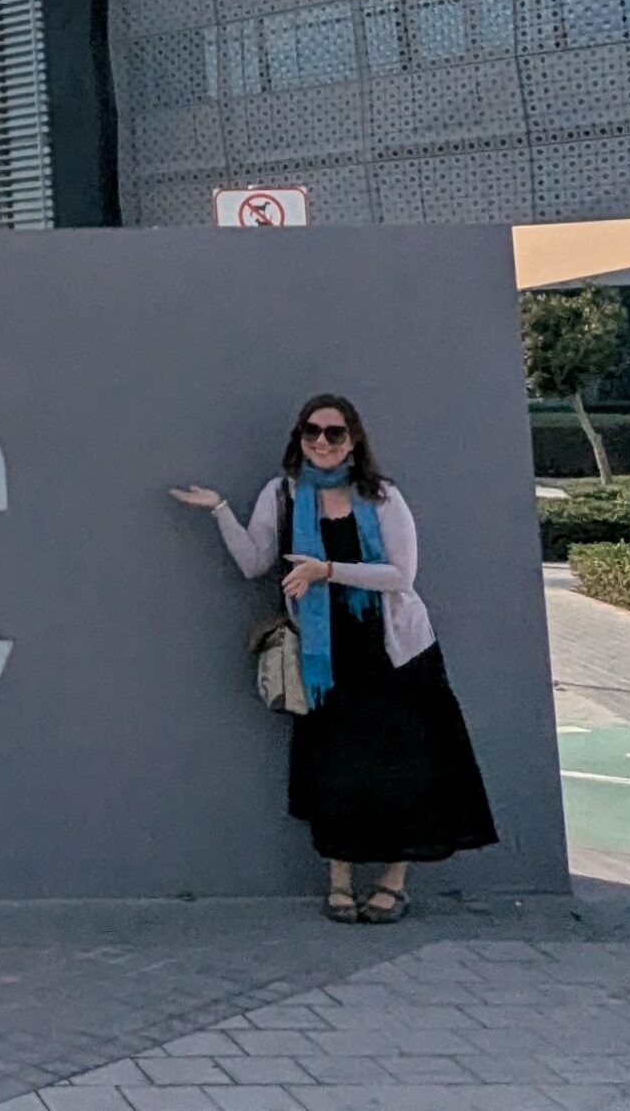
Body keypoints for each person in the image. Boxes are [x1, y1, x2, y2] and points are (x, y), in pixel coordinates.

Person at [170, 394, 497, 923]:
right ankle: (339, 881)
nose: (322, 442)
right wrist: (219, 509)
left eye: (334, 433)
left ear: (353, 439)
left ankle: (393, 883)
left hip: (394, 652)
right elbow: (254, 563)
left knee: (404, 767)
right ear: (299, 439)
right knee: (336, 769)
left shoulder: (381, 496)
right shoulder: (282, 494)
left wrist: (326, 570)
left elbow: (401, 576)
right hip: (325, 659)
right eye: (311, 432)